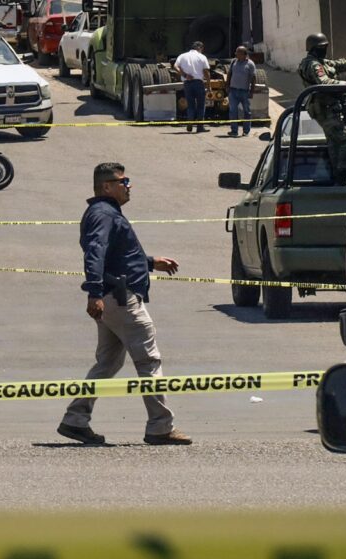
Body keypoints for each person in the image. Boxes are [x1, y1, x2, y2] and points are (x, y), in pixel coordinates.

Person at [57, 162, 192, 446]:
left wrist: (150, 262)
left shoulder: (105, 213)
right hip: (120, 299)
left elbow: (118, 255)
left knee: (108, 363)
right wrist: (94, 292)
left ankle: (75, 419)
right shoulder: (103, 214)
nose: (129, 186)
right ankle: (160, 427)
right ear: (107, 186)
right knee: (148, 359)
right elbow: (95, 252)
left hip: (112, 297)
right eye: (124, 181)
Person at [298, 32, 346, 185]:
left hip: (328, 106)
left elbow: (337, 64)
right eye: (323, 47)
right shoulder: (314, 65)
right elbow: (325, 82)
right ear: (315, 49)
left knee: (334, 142)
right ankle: (342, 173)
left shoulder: (319, 61)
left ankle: (338, 177)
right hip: (323, 108)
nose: (325, 50)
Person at [174, 41, 210, 133]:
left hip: (187, 83)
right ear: (200, 48)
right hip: (198, 83)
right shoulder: (202, 57)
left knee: (190, 104)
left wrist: (185, 75)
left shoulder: (182, 56)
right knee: (201, 105)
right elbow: (206, 72)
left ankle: (190, 122)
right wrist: (209, 85)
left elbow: (175, 66)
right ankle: (200, 127)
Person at [226, 45, 256, 137]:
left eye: (238, 52)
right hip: (233, 91)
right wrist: (227, 86)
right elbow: (229, 74)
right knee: (233, 111)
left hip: (244, 92)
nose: (236, 54)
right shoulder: (234, 62)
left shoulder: (250, 64)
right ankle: (234, 131)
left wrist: (252, 91)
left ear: (244, 54)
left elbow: (253, 78)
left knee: (247, 111)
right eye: (236, 52)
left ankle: (246, 131)